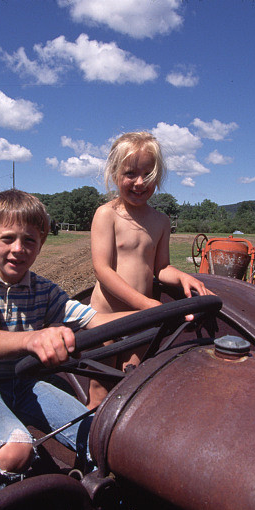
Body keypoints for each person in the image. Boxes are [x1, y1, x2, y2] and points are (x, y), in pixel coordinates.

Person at [0, 189, 129, 488]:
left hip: (26, 381)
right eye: (8, 238)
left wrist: (158, 312)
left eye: (29, 240)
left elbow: (95, 319)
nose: (19, 249)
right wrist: (33, 339)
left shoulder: (44, 290)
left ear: (41, 244)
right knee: (17, 451)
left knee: (100, 435)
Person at [87, 131, 211, 408]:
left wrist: (182, 276)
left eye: (148, 174)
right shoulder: (107, 214)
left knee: (132, 385)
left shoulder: (161, 221)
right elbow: (102, 270)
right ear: (115, 173)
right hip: (105, 318)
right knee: (99, 390)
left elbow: (161, 268)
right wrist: (147, 305)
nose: (139, 182)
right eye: (130, 173)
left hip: (141, 321)